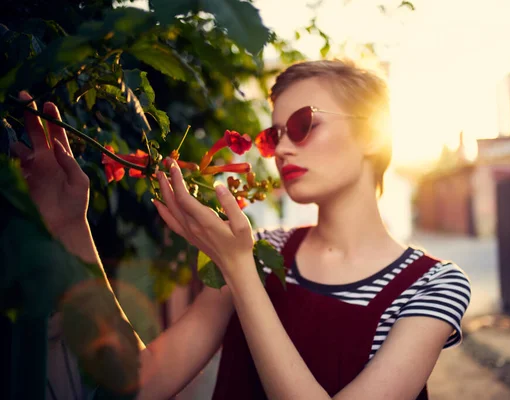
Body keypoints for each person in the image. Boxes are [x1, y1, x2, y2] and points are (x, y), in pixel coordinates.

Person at [14, 59, 471, 400]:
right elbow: (138, 381)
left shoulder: (434, 285)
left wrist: (238, 269)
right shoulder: (260, 251)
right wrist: (69, 223)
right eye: (274, 136)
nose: (282, 149)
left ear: (374, 133)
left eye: (302, 124)